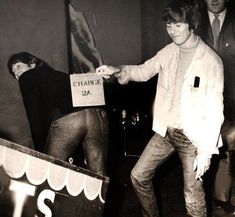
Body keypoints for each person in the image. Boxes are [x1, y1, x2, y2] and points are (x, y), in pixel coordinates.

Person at [96, 0, 224, 216]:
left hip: (193, 139)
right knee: (138, 176)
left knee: (192, 197)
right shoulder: (169, 51)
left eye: (177, 25)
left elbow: (215, 110)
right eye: (168, 25)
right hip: (166, 132)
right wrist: (117, 70)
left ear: (191, 24)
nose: (172, 31)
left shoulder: (211, 61)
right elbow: (143, 70)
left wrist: (206, 152)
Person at [7, 52, 108, 175]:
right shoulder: (62, 75)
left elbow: (34, 116)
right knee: (98, 172)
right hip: (96, 115)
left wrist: (40, 151)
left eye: (18, 66)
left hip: (69, 120)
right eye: (14, 73)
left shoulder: (27, 77)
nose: (17, 74)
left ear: (32, 64)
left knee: (51, 172)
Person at [198, 0, 235, 214]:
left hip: (233, 96)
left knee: (233, 148)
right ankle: (220, 199)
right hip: (204, 98)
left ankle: (226, 199)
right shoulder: (194, 20)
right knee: (214, 150)